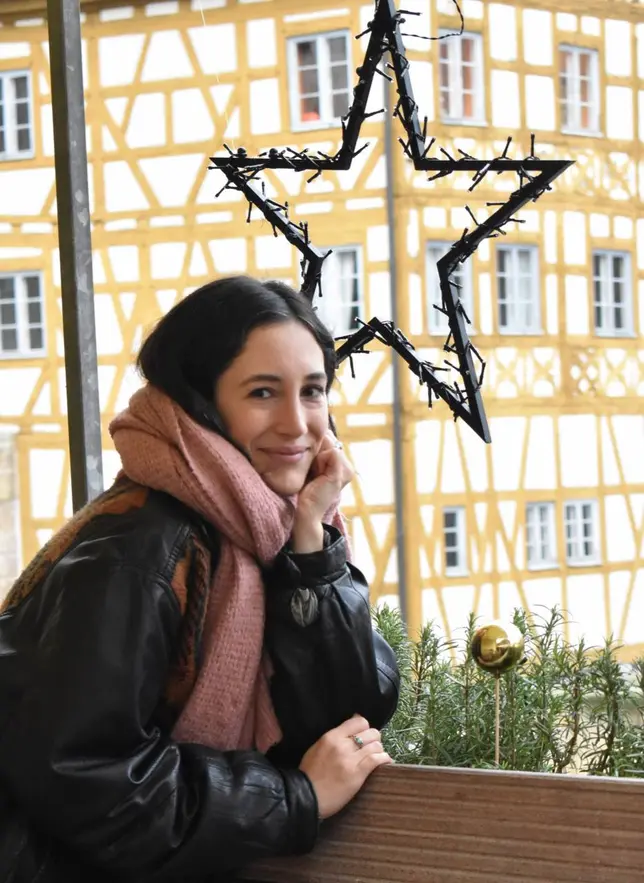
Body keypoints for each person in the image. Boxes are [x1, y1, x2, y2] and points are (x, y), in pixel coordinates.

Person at [0, 276, 400, 883]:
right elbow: (85, 778)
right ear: (201, 402)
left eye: (313, 392)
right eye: (264, 392)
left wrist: (313, 548)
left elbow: (352, 712)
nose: (298, 424)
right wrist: (297, 800)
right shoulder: (141, 551)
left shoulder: (266, 529)